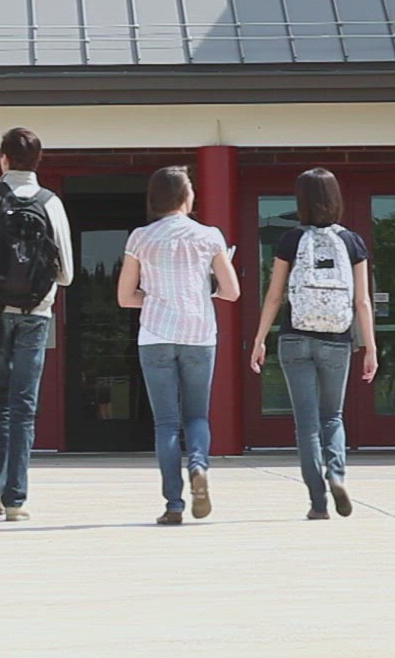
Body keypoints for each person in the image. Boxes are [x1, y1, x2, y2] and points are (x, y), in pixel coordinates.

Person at [0, 127, 72, 522]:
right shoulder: (51, 203)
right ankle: (15, 499)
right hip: (36, 314)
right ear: (38, 161)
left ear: (3, 159)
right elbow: (67, 274)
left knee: (0, 400)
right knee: (24, 404)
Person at [249, 167, 379, 521]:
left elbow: (274, 296)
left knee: (306, 424)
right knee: (332, 416)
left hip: (295, 338)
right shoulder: (352, 242)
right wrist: (370, 347)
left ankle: (318, 503)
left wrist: (259, 339)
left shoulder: (290, 240)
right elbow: (362, 301)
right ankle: (336, 474)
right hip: (336, 340)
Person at [116, 166, 239, 525]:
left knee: (166, 423)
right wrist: (203, 289)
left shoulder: (140, 237)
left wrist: (156, 299)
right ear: (187, 196)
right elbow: (231, 291)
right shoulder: (209, 236)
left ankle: (174, 504)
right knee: (197, 415)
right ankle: (199, 465)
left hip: (155, 336)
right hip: (199, 334)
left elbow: (125, 297)